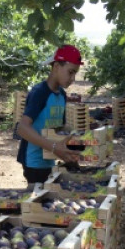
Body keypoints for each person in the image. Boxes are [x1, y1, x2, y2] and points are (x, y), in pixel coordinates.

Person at [16, 45, 83, 184]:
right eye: (70, 72)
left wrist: (77, 140)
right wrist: (53, 147)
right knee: (39, 202)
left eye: (75, 73)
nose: (73, 78)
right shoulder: (40, 93)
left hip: (49, 160)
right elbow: (22, 128)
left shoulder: (62, 95)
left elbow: (60, 128)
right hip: (34, 161)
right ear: (57, 66)